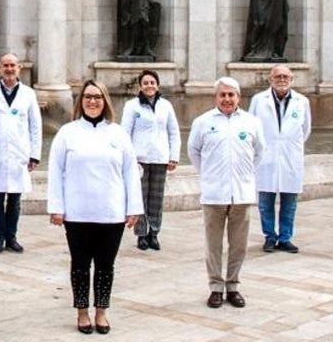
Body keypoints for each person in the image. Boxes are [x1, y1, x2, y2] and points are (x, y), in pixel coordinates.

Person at [47, 80, 142, 334]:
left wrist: (134, 208)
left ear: (105, 101)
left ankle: (101, 311)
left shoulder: (118, 133)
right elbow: (55, 171)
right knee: (79, 264)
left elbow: (131, 172)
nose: (92, 101)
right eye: (88, 97)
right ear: (81, 101)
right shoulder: (67, 132)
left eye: (97, 97)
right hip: (77, 212)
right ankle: (81, 311)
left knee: (105, 265)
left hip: (111, 212)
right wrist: (56, 207)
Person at [188, 76, 265, 309]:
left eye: (231, 94)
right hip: (214, 194)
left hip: (241, 193)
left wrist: (243, 175)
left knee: (239, 244)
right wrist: (210, 174)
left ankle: (233, 285)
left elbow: (259, 152)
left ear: (239, 97)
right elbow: (194, 152)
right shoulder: (203, 122)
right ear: (216, 97)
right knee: (213, 244)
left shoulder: (252, 122)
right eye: (223, 94)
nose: (227, 99)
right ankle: (215, 287)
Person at [0, 53, 42, 253]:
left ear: (18, 68)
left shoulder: (28, 94)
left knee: (15, 201)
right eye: (6, 65)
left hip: (19, 154)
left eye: (13, 65)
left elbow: (35, 127)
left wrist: (34, 155)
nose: (9, 69)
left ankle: (11, 236)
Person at [248, 64, 312, 253]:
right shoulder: (259, 100)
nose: (282, 79)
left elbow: (305, 129)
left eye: (285, 76)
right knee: (265, 201)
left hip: (290, 157)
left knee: (289, 201)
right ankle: (269, 236)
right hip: (266, 157)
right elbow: (251, 127)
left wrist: (289, 145)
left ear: (292, 80)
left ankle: (285, 237)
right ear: (270, 79)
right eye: (278, 76)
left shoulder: (302, 102)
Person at [121, 69, 179, 251]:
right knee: (140, 198)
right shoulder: (132, 106)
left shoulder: (166, 106)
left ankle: (154, 233)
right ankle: (141, 234)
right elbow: (125, 133)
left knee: (156, 198)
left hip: (160, 158)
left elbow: (174, 132)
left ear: (157, 85)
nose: (149, 86)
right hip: (139, 159)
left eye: (152, 82)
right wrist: (127, 158)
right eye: (145, 83)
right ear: (140, 86)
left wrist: (174, 157)